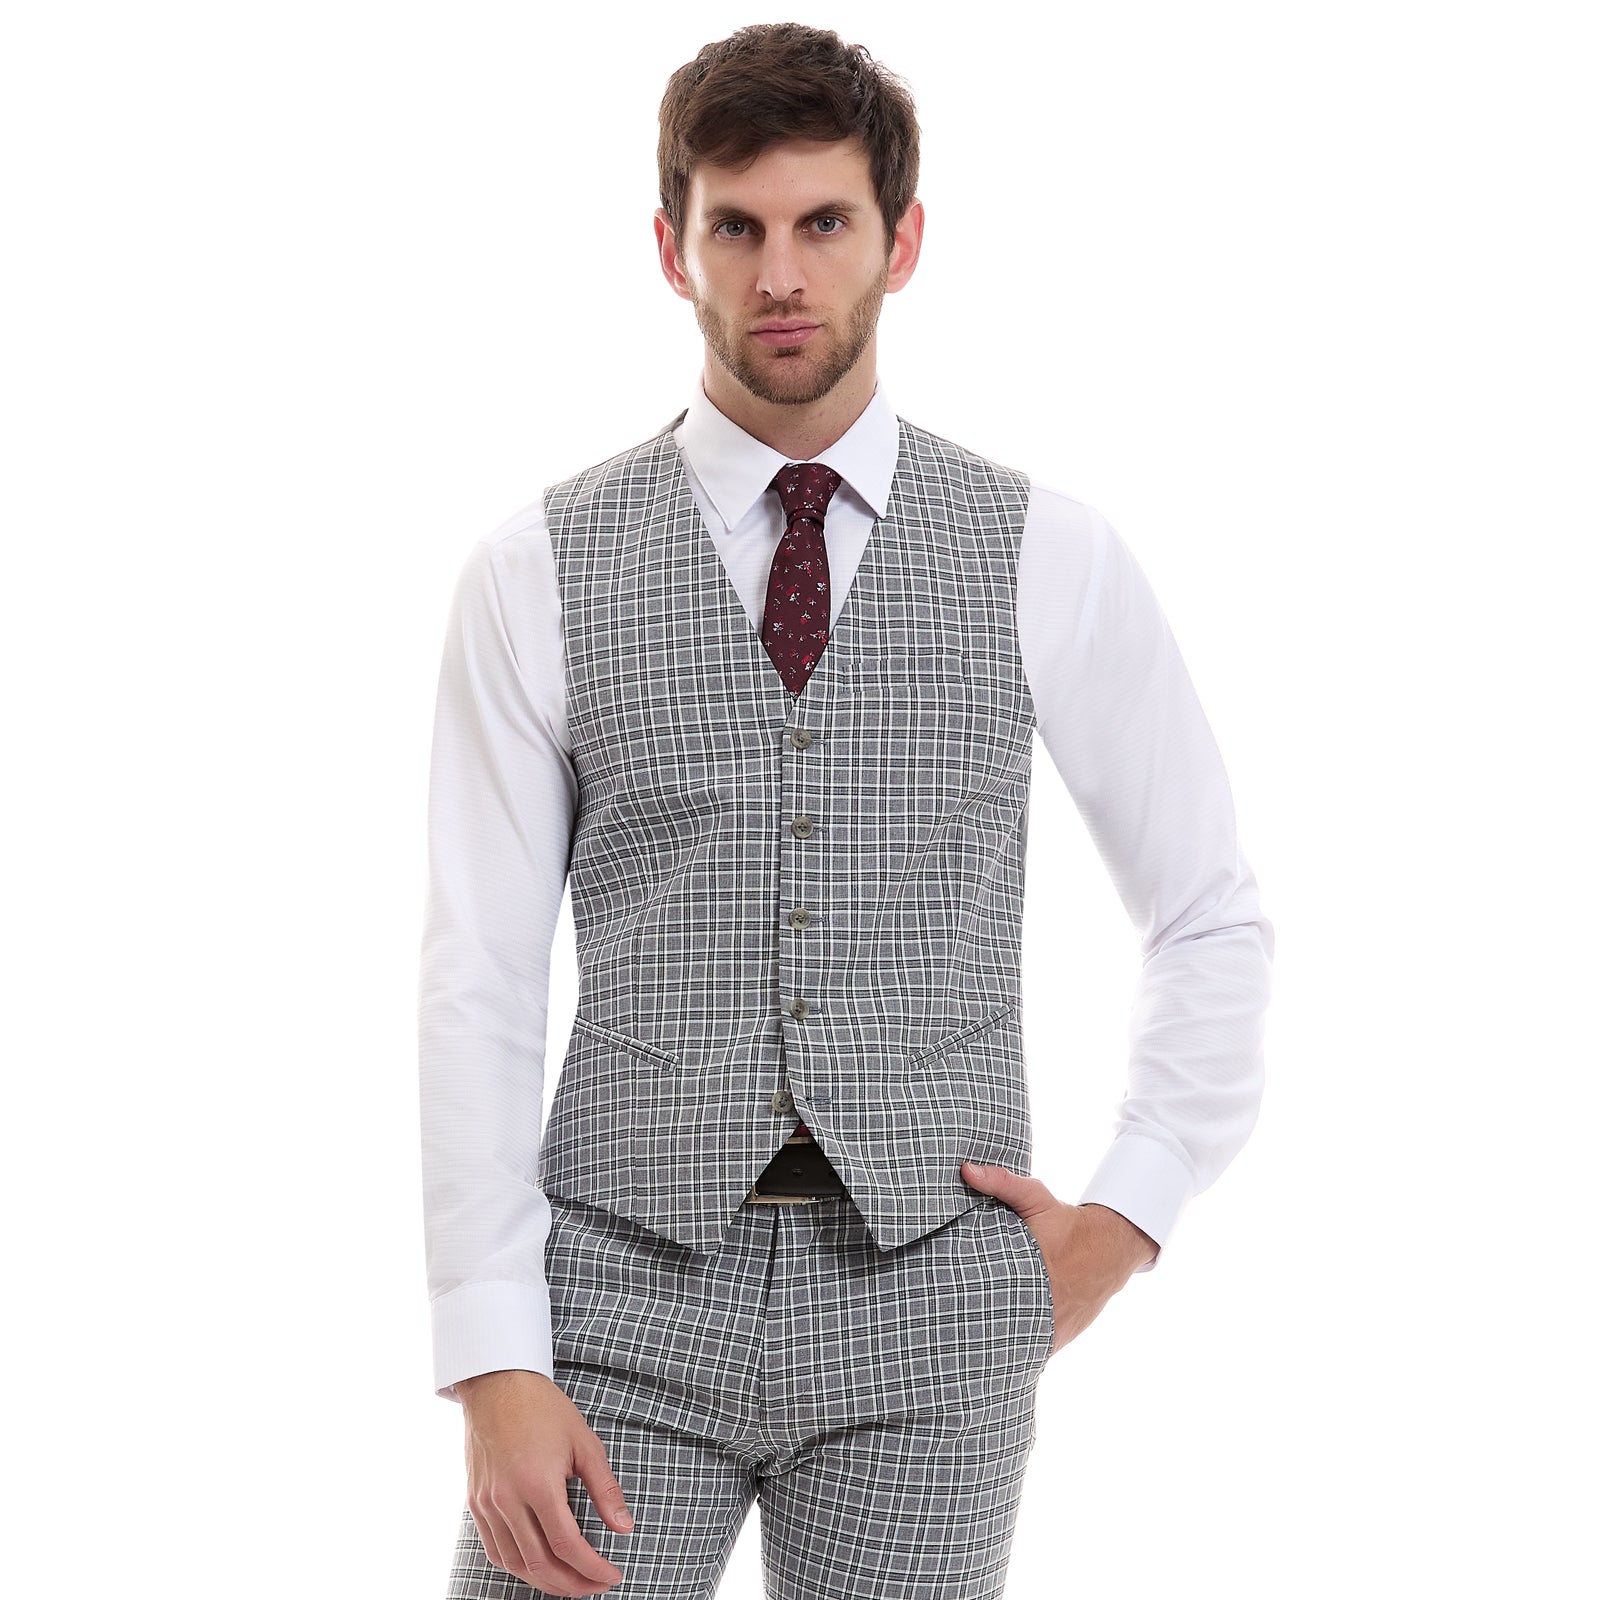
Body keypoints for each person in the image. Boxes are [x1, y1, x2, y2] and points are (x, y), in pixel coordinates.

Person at [420, 21, 1273, 1599]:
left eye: (824, 222)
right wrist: (492, 1358)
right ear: (671, 248)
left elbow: (1208, 912)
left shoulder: (1046, 554)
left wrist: (1125, 1217)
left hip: (934, 1305)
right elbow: (479, 976)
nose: (781, 274)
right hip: (615, 1301)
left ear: (904, 240)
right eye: (736, 227)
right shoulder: (535, 572)